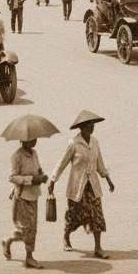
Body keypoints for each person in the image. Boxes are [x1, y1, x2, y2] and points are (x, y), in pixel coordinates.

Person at [48, 110, 114, 259]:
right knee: (74, 216)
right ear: (82, 127)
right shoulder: (74, 144)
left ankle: (98, 248)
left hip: (93, 186)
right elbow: (62, 163)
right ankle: (66, 236)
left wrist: (108, 179)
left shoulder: (95, 142)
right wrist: (52, 180)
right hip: (78, 187)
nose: (92, 128)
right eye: (89, 125)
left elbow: (99, 163)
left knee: (97, 215)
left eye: (93, 125)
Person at [3, 137, 48, 269]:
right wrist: (31, 179)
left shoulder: (34, 153)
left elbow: (38, 169)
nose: (34, 141)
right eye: (31, 139)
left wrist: (41, 176)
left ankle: (29, 256)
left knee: (32, 228)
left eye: (35, 138)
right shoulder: (16, 156)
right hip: (22, 196)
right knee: (24, 228)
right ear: (23, 140)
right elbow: (12, 177)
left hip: (34, 195)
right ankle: (8, 240)